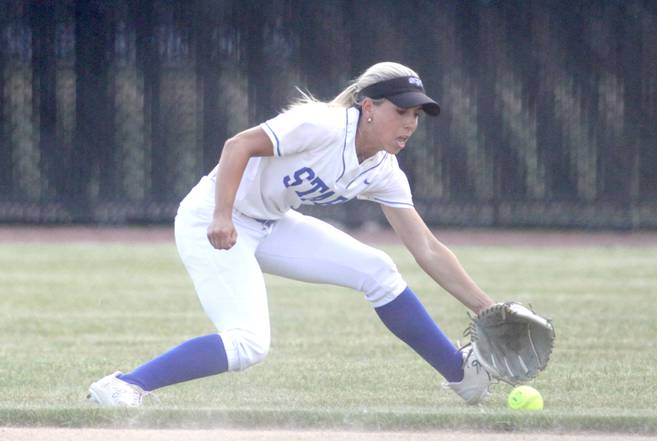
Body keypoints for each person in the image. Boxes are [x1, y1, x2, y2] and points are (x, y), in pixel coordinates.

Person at [87, 61, 496, 407]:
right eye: (401, 111)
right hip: (211, 219)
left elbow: (426, 247)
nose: (409, 122)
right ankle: (124, 385)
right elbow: (238, 145)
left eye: (416, 115)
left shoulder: (382, 168)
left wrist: (486, 309)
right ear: (368, 106)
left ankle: (462, 376)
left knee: (378, 270)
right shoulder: (323, 125)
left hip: (269, 224)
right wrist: (222, 215)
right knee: (248, 343)